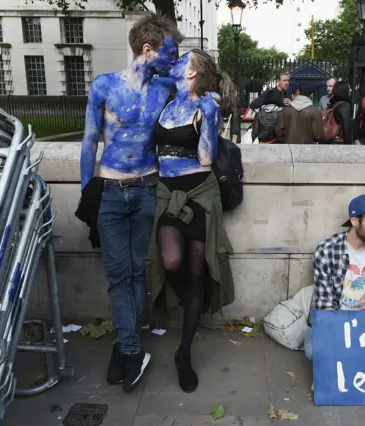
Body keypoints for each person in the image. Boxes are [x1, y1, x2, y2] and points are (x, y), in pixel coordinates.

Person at [77, 13, 183, 393]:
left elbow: (207, 90)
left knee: (136, 271)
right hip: (109, 191)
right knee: (119, 275)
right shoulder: (104, 86)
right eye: (170, 52)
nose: (174, 59)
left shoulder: (166, 87)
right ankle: (132, 349)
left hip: (146, 190)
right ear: (148, 48)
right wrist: (88, 193)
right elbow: (90, 141)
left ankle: (125, 347)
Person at [146, 49, 235, 393]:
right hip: (168, 191)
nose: (176, 63)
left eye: (183, 61)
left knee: (197, 271)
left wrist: (209, 116)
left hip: (199, 192)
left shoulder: (205, 106)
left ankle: (184, 352)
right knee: (170, 261)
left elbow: (206, 156)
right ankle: (195, 304)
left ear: (194, 73)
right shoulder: (169, 104)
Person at [304, 194, 365, 361]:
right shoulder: (327, 250)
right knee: (314, 351)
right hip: (336, 321)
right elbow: (325, 306)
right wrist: (341, 336)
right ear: (355, 221)